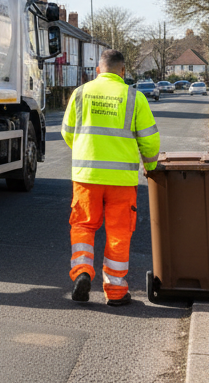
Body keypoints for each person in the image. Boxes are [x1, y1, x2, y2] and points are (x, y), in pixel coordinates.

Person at [61, 48, 160, 306]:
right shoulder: (134, 97)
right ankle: (115, 292)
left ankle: (82, 272)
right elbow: (149, 140)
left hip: (86, 177)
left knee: (83, 225)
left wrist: (86, 150)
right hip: (121, 181)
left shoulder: (80, 93)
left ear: (98, 70)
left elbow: (68, 132)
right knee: (118, 232)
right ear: (123, 71)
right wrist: (150, 166)